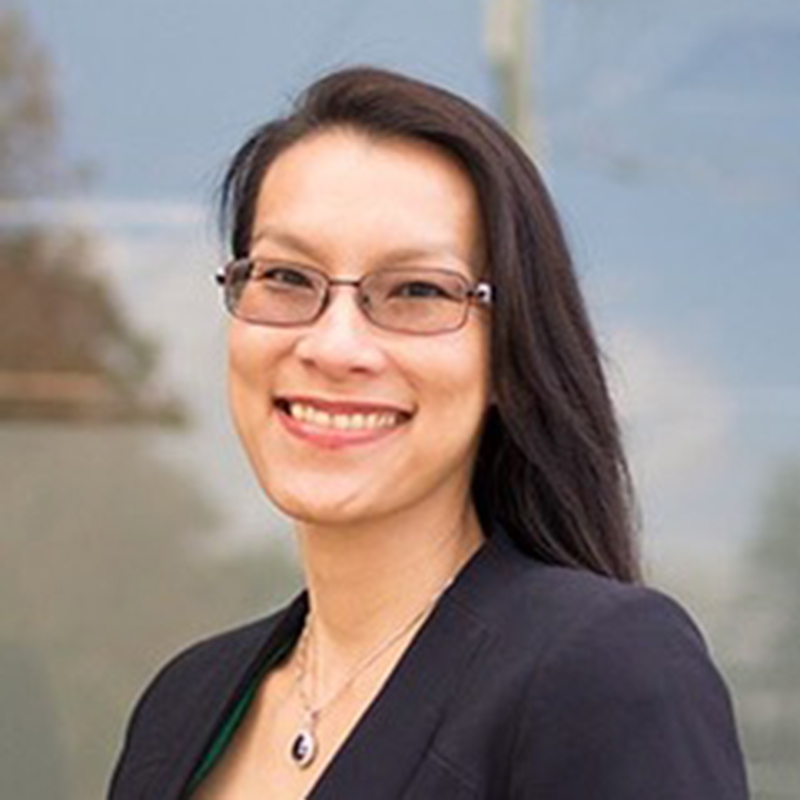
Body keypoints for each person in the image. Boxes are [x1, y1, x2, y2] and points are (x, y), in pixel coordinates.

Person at [108, 66, 748, 799]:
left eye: (417, 291)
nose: (334, 345)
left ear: (509, 358)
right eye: (286, 278)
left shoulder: (604, 670)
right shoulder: (180, 706)